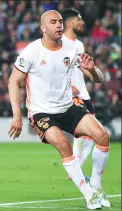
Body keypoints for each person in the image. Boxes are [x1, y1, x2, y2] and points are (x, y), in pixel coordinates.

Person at [8, 10, 110, 210]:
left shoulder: (73, 48)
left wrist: (92, 69)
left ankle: (96, 186)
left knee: (103, 136)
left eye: (61, 21)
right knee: (64, 144)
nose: (59, 25)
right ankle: (89, 195)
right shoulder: (32, 51)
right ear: (43, 28)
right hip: (42, 112)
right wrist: (16, 114)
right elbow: (14, 80)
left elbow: (97, 79)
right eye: (53, 22)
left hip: (68, 107)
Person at [62, 8, 96, 169]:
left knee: (89, 135)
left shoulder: (79, 45)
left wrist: (93, 73)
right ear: (69, 22)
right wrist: (69, 86)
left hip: (84, 93)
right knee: (86, 133)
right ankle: (76, 167)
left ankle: (77, 167)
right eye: (79, 20)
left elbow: (80, 67)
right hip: (71, 94)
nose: (82, 23)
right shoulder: (59, 42)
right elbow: (55, 69)